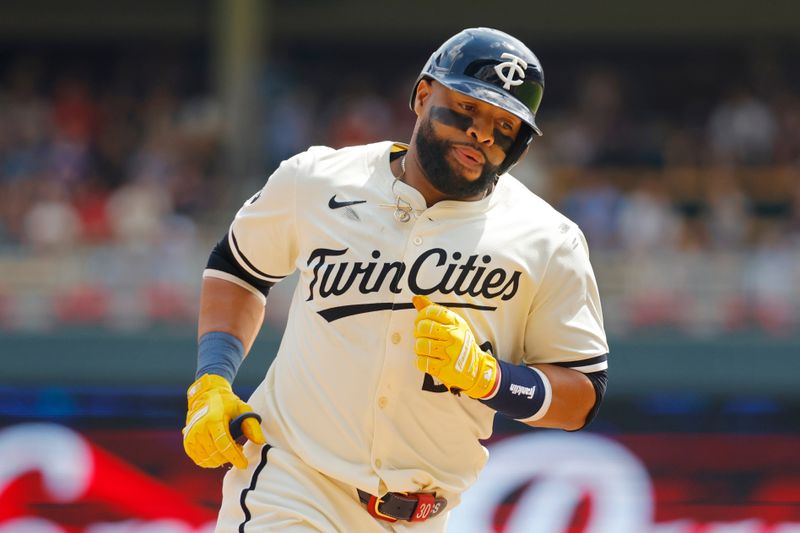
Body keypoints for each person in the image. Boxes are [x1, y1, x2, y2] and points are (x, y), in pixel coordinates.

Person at [182, 27, 609, 532]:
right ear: (423, 95)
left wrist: (491, 378)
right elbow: (238, 267)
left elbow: (583, 393)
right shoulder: (318, 180)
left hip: (425, 515)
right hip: (295, 483)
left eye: (506, 122)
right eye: (469, 107)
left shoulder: (548, 240)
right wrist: (212, 378)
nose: (483, 133)